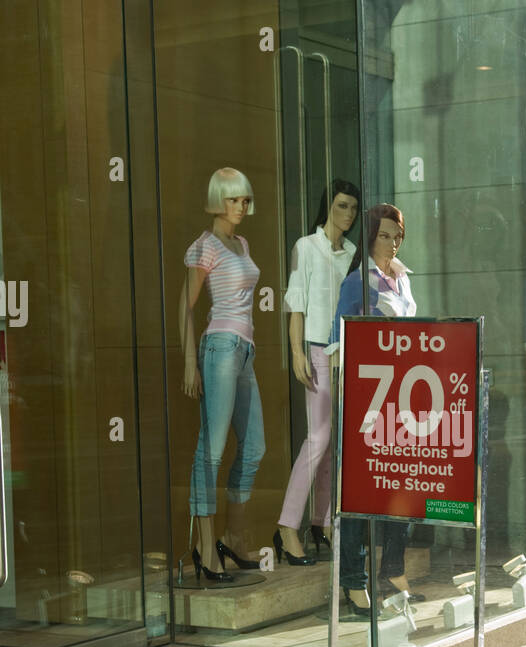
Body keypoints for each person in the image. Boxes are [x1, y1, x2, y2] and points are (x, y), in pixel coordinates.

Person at [328, 203, 421, 616]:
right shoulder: (357, 282)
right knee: (361, 493)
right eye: (384, 234)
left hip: (401, 397)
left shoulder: (401, 279)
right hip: (368, 401)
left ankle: (393, 571)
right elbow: (338, 342)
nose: (393, 241)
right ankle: (352, 582)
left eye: (397, 234)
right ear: (369, 237)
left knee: (400, 485)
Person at [179, 167, 265, 583]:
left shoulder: (241, 242)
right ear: (218, 200)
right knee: (211, 449)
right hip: (219, 348)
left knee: (254, 449)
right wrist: (189, 362)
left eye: (245, 200)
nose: (241, 207)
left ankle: (232, 537)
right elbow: (186, 305)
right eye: (234, 199)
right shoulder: (205, 247)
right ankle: (203, 545)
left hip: (244, 350)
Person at [273, 180, 359, 565]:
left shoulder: (354, 254)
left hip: (347, 353)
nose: (348, 214)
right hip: (317, 350)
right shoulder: (304, 247)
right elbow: (296, 304)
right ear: (328, 206)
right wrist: (296, 353)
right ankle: (286, 526)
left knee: (334, 444)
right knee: (318, 438)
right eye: (342, 206)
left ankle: (321, 523)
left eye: (353, 208)